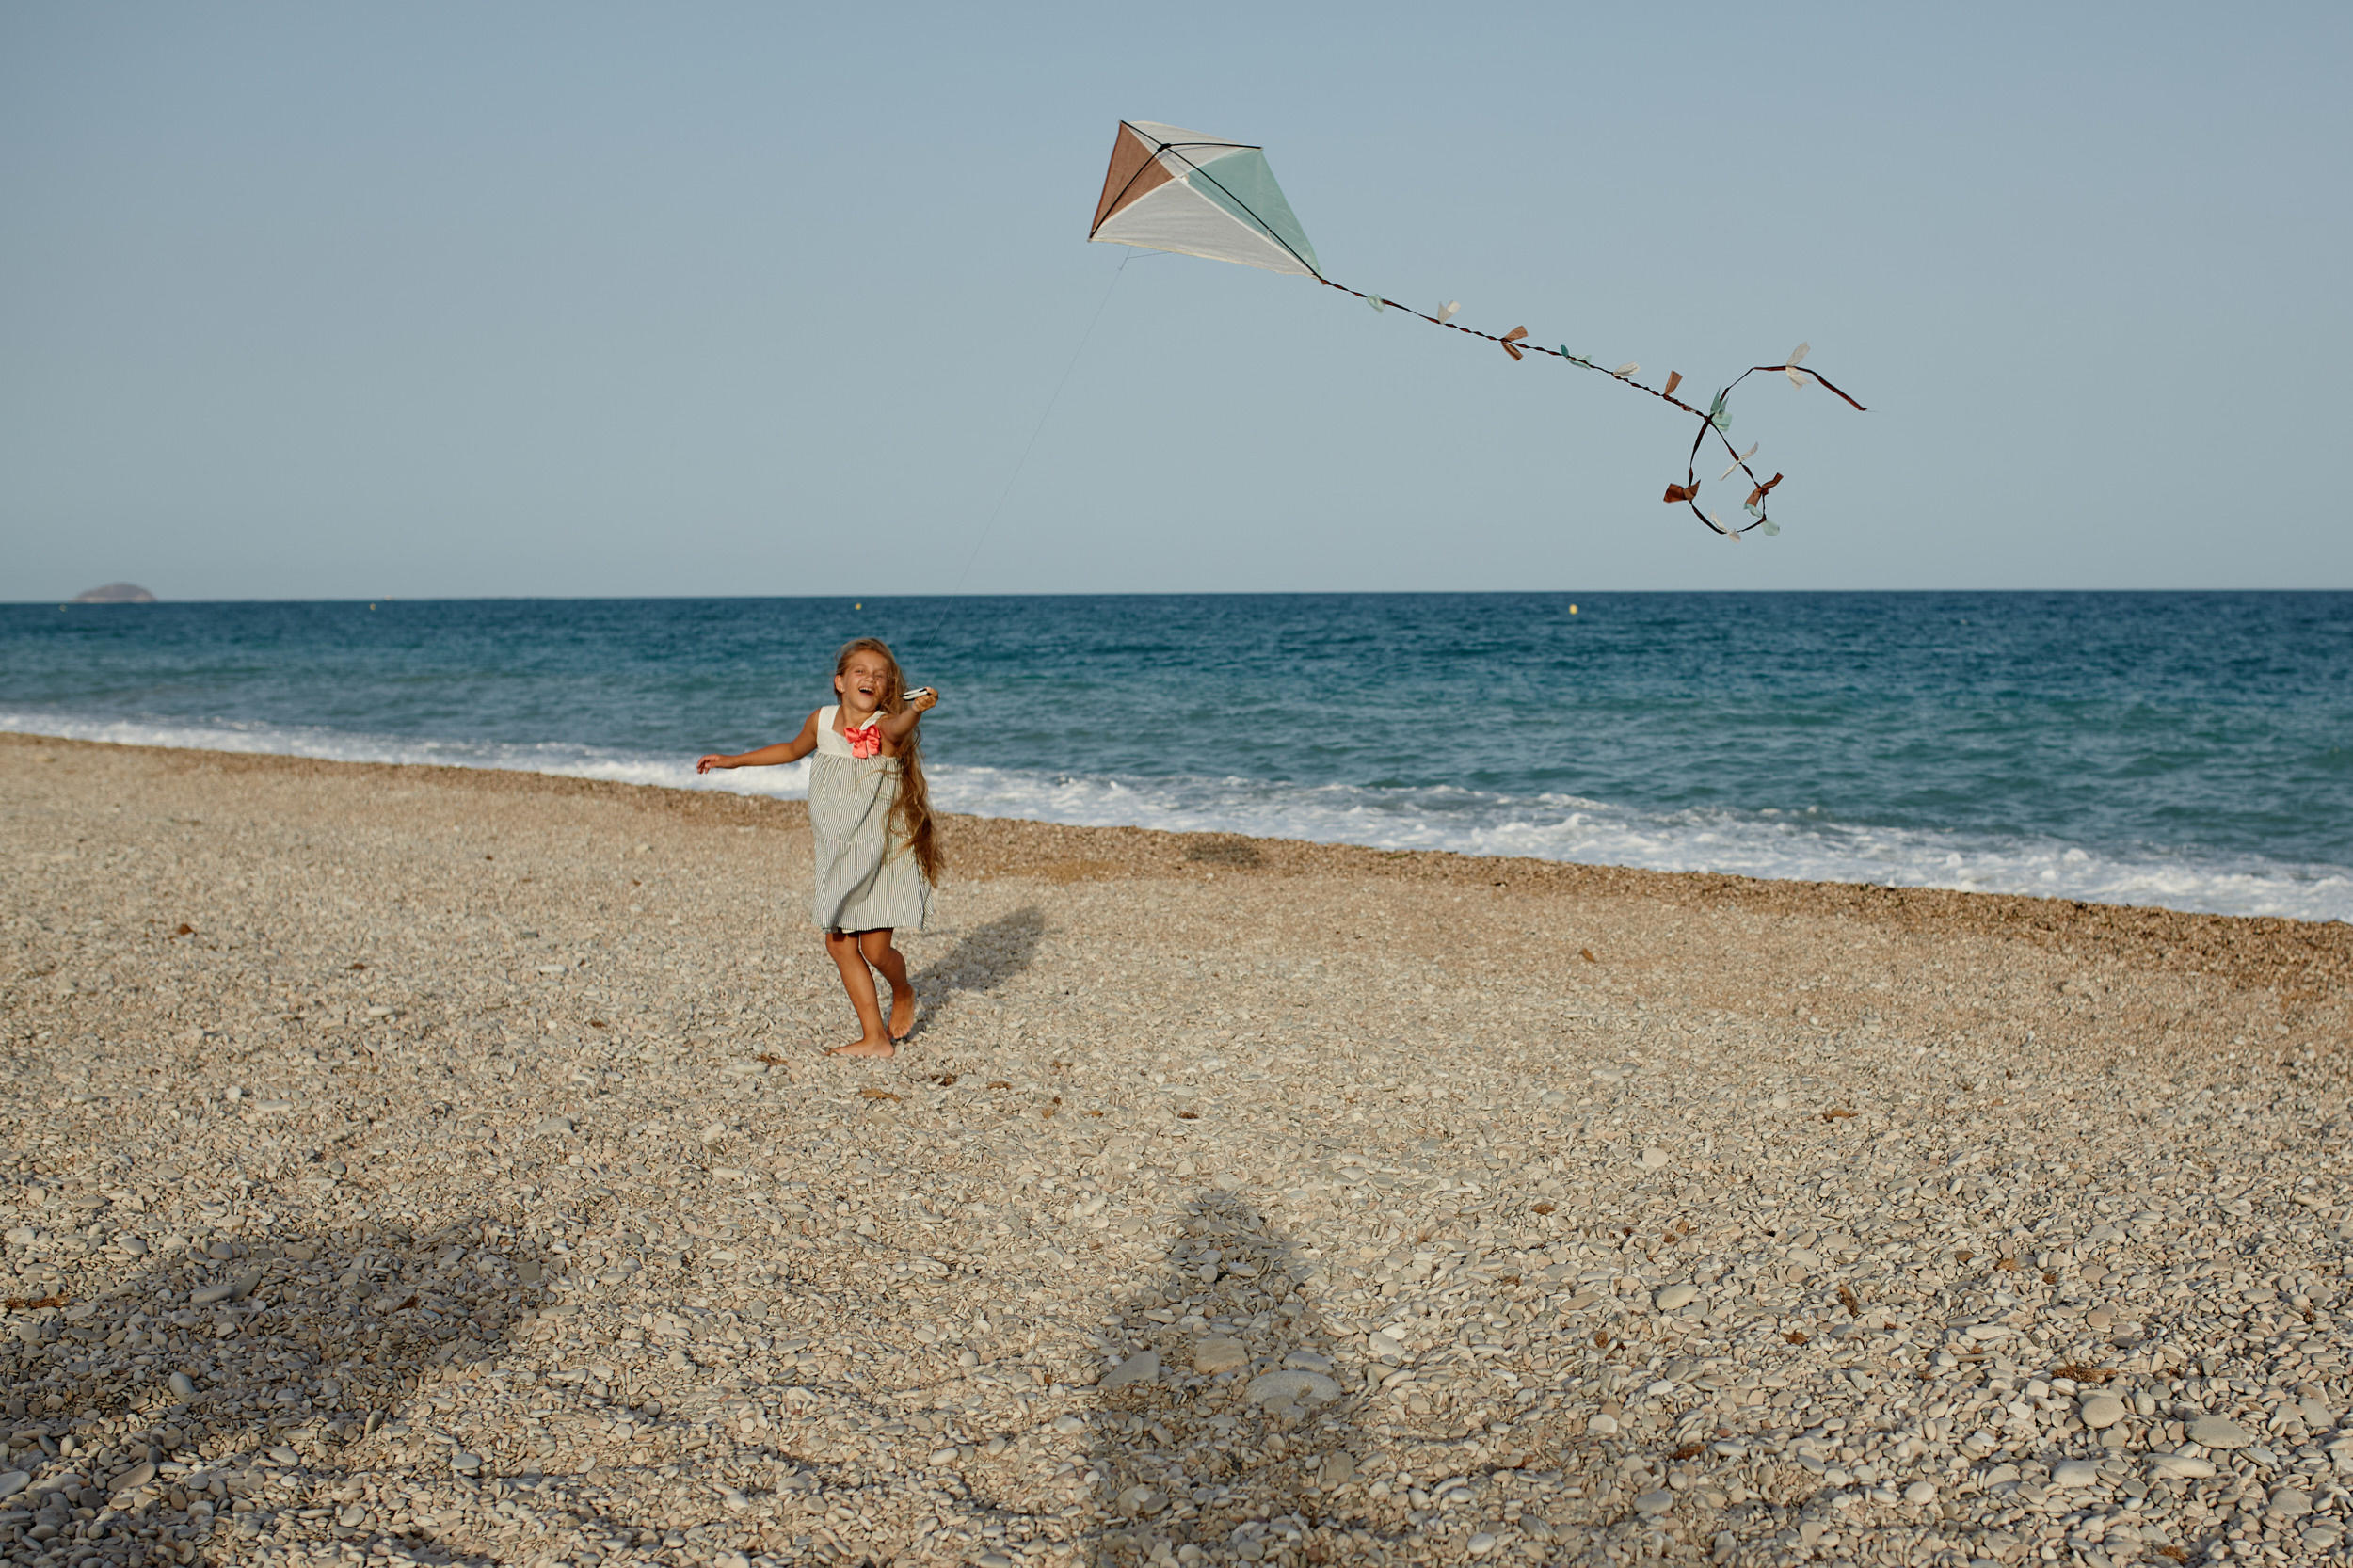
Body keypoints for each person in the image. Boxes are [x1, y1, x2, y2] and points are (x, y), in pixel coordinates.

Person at [697, 638, 941, 1057]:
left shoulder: (883, 726)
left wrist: (914, 710)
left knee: (876, 950)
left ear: (887, 691)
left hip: (877, 851)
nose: (871, 678)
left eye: (881, 675)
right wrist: (733, 760)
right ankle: (875, 1039)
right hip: (837, 850)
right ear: (840, 681)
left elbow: (899, 729)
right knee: (840, 943)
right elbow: (791, 750)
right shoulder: (822, 720)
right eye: (860, 671)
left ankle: (903, 990)